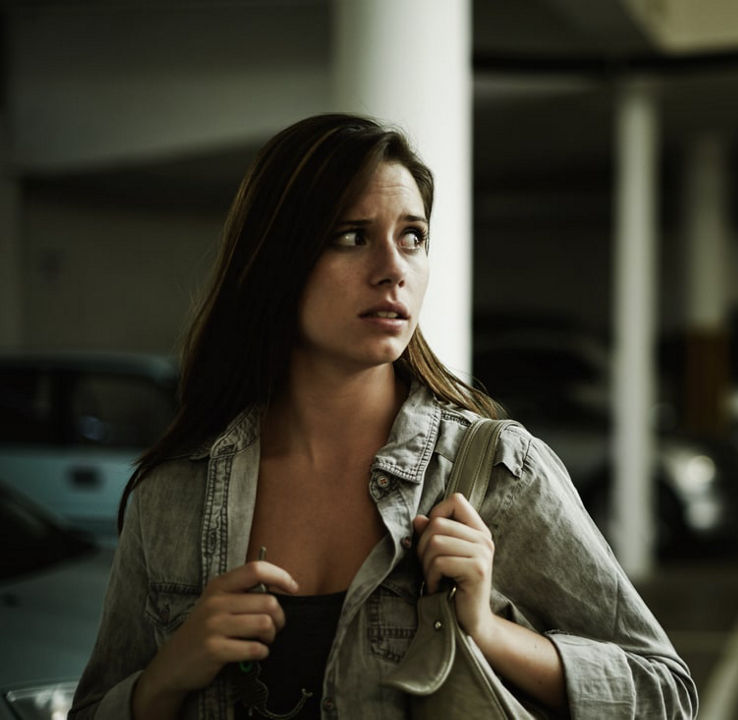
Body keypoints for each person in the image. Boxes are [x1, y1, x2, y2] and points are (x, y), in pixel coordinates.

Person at [70, 113, 697, 719]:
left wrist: (485, 629)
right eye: (352, 236)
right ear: (274, 261)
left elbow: (664, 695)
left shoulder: (494, 473)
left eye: (412, 237)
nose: (394, 269)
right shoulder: (173, 495)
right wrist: (166, 678)